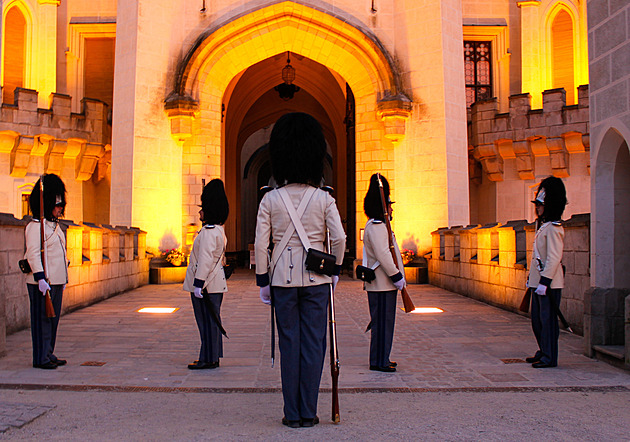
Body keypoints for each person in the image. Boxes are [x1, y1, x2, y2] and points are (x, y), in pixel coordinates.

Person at [254, 112, 346, 428]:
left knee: (289, 344)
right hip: (318, 279)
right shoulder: (324, 198)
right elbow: (340, 238)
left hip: (281, 280)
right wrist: (334, 271)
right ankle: (309, 410)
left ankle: (291, 413)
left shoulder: (270, 200)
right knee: (314, 345)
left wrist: (263, 281)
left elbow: (260, 243)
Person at [361, 174, 405, 373]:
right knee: (382, 325)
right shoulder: (377, 226)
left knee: (385, 324)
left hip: (383, 283)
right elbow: (383, 254)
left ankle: (383, 357)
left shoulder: (378, 225)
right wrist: (396, 276)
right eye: (389, 204)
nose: (392, 208)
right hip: (383, 283)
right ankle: (379, 361)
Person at [183, 179, 229, 370]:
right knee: (211, 321)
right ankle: (211, 356)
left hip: (207, 284)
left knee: (207, 322)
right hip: (213, 283)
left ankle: (208, 358)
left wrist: (198, 284)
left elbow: (205, 260)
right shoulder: (215, 230)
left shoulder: (210, 232)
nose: (200, 212)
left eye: (202, 208)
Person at [24, 174, 68, 369]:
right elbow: (33, 254)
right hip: (42, 282)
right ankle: (40, 357)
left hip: (57, 280)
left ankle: (48, 352)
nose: (60, 208)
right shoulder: (35, 227)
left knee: (53, 319)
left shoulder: (54, 226)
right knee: (42, 321)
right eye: (57, 204)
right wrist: (40, 278)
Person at [526, 176, 567, 368]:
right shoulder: (543, 226)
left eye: (541, 204)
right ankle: (543, 350)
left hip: (548, 283)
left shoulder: (554, 228)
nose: (538, 208)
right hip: (538, 282)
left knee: (548, 321)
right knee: (537, 321)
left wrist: (544, 281)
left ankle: (549, 357)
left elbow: (553, 257)